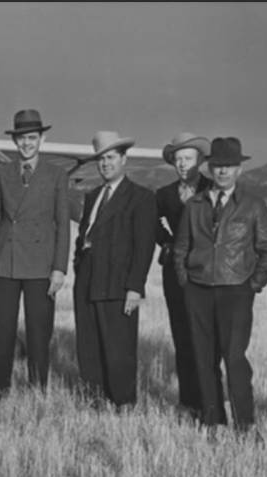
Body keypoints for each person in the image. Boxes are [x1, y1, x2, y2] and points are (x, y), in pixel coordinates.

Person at [173, 137, 267, 432]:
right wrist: (187, 283)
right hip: (198, 291)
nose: (222, 172)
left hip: (236, 292)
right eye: (218, 166)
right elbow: (181, 248)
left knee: (234, 361)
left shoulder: (253, 205)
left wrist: (252, 285)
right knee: (204, 360)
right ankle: (213, 422)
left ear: (239, 170)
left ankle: (245, 425)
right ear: (210, 168)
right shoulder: (194, 205)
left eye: (229, 166)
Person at [0, 109, 70, 401]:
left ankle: (38, 390)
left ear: (42, 139)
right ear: (15, 140)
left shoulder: (57, 175)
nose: (26, 144)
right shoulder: (1, 174)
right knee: (1, 332)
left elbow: (63, 224)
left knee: (38, 334)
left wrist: (59, 268)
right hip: (4, 265)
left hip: (40, 267)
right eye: (22, 138)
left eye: (32, 138)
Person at [72, 131, 158, 408]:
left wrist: (135, 287)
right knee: (89, 345)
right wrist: (78, 265)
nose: (105, 164)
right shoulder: (93, 195)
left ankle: (122, 403)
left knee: (118, 348)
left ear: (124, 159)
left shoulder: (141, 197)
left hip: (118, 284)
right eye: (100, 159)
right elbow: (84, 236)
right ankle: (94, 400)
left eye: (110, 158)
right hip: (88, 281)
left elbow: (144, 247)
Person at [154, 132, 212, 417]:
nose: (183, 164)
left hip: (207, 275)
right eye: (178, 160)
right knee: (182, 337)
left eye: (188, 158)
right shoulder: (163, 195)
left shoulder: (214, 190)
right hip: (175, 276)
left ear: (200, 160)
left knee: (207, 339)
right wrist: (167, 242)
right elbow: (151, 222)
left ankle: (211, 401)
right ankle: (188, 401)